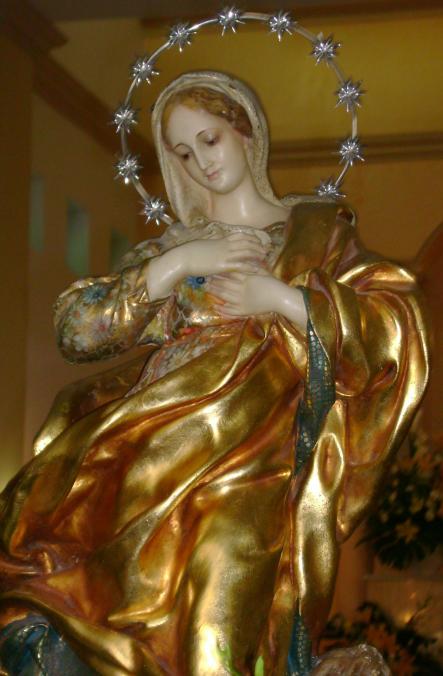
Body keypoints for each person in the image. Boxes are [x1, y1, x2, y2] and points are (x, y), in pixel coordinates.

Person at [0, 71, 428, 675]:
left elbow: (393, 327)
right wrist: (179, 263)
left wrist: (282, 299)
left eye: (210, 139)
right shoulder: (174, 250)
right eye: (182, 152)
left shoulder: (316, 236)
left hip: (255, 465)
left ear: (247, 131)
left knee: (218, 621)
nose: (200, 162)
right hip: (149, 455)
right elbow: (79, 330)